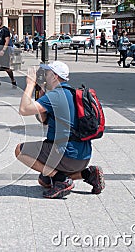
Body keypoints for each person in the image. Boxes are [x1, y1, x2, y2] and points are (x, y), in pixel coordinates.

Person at [15, 61, 105, 199]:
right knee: (44, 181)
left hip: (66, 155)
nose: (44, 76)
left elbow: (24, 110)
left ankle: (62, 180)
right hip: (82, 158)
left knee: (20, 151)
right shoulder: (72, 93)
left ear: (54, 76)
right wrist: (41, 93)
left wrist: (30, 84)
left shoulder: (56, 95)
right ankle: (89, 174)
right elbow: (44, 121)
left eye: (47, 73)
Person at [0, 15, 17, 91]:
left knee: (7, 68)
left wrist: (3, 50)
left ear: (1, 21)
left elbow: (7, 40)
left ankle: (13, 80)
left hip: (3, 51)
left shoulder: (5, 30)